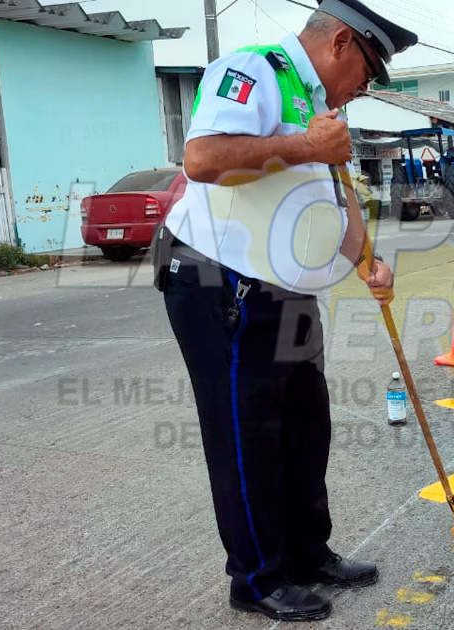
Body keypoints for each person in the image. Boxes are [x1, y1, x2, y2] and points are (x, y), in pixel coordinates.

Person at [156, 0, 417, 622]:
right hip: (222, 280)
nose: (362, 89)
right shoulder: (254, 70)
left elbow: (334, 195)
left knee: (305, 425)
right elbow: (202, 159)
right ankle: (257, 578)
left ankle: (306, 553)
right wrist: (305, 144)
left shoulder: (320, 106)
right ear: (341, 43)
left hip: (287, 289)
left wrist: (368, 262)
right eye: (366, 74)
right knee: (248, 434)